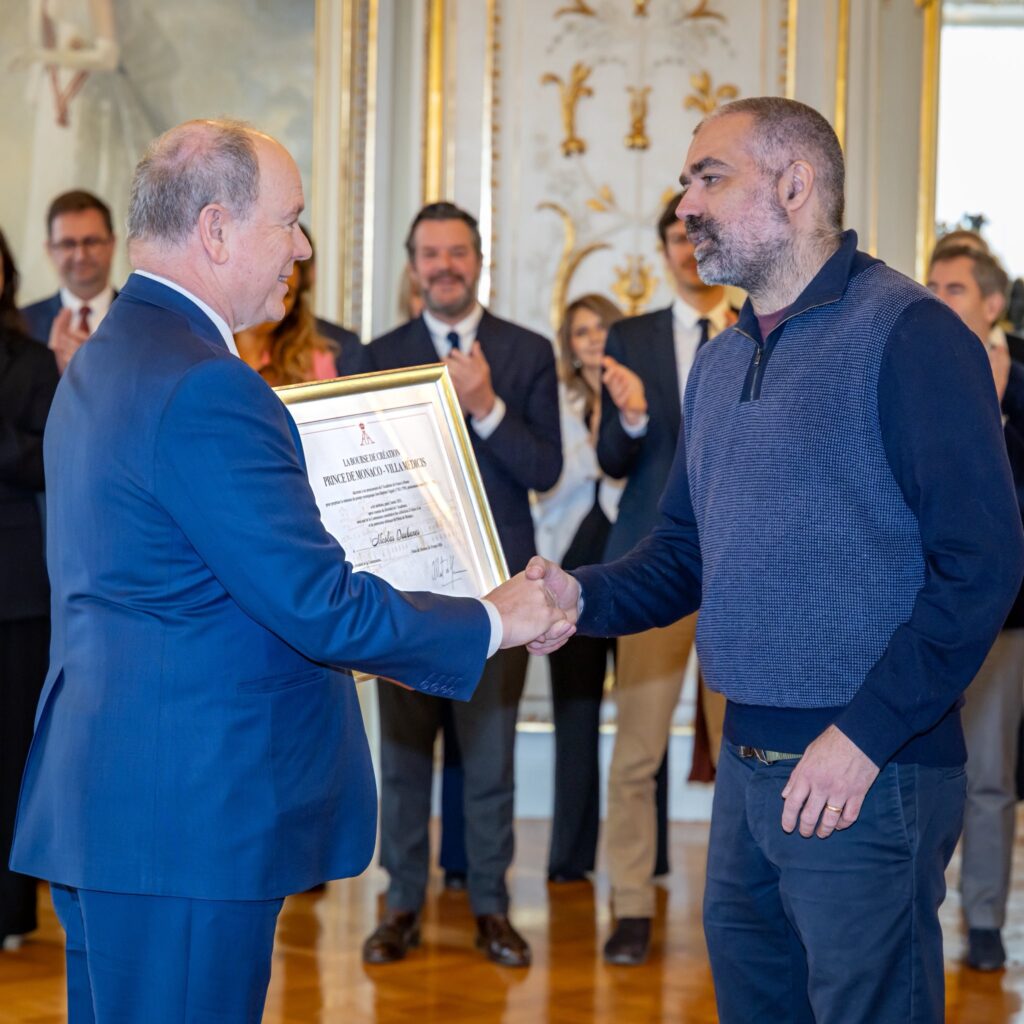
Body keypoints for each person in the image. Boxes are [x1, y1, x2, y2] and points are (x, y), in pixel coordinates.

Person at [9, 119, 566, 1022]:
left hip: (120, 802)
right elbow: (320, 607)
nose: (303, 249)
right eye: (292, 222)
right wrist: (497, 617)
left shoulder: (108, 356)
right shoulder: (206, 384)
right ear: (219, 229)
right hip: (188, 819)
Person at [523, 96, 1023, 1022]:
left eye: (709, 178)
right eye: (685, 184)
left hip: (870, 772)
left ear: (795, 186)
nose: (686, 206)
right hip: (751, 772)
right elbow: (683, 552)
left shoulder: (913, 335)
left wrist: (864, 736)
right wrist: (576, 597)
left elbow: (981, 565)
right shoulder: (720, 358)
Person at [364, 201, 562, 967]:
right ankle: (401, 905)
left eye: (457, 253)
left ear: (479, 261)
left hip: (498, 599)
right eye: (429, 254)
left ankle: (492, 909)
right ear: (413, 265)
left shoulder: (524, 352)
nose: (444, 266)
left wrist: (486, 407)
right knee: (405, 761)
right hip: (404, 597)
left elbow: (543, 469)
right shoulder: (378, 355)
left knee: (489, 762)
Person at [595, 196, 734, 965]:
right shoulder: (632, 336)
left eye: (701, 234)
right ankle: (629, 907)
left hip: (741, 575)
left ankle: (739, 906)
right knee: (637, 753)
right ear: (664, 251)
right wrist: (638, 418)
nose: (691, 249)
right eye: (678, 238)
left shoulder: (760, 323)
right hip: (653, 570)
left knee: (745, 752)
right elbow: (614, 459)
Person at [927, 244, 1024, 972]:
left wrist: (1001, 399)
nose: (938, 296)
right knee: (919, 760)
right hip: (920, 604)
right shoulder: (915, 360)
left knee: (990, 772)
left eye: (954, 287)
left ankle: (984, 918)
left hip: (1004, 612)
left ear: (993, 304)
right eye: (931, 284)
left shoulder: (1020, 377)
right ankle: (913, 899)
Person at [532, 293, 624, 884]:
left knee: (644, 709)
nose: (591, 339)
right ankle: (570, 856)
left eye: (600, 329)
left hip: (632, 563)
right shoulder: (561, 401)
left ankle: (652, 855)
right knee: (576, 711)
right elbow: (554, 479)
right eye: (580, 331)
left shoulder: (640, 395)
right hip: (574, 561)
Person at [0, 228, 59, 953]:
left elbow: (51, 458)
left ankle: (10, 912)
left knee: (13, 750)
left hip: (16, 589)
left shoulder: (36, 359)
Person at [20, 190, 118, 374]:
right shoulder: (23, 325)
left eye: (91, 241)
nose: (81, 256)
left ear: (112, 244)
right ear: (50, 250)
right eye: (68, 244)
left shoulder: (141, 320)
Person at [234, 257, 368, 385]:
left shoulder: (315, 362)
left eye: (286, 294)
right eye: (264, 286)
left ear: (295, 305)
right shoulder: (214, 348)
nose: (270, 304)